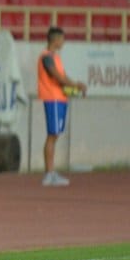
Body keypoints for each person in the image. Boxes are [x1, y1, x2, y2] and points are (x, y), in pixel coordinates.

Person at [37, 26, 86, 187]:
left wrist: (73, 87)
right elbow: (57, 77)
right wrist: (75, 85)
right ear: (56, 40)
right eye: (62, 39)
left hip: (59, 98)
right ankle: (49, 174)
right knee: (53, 135)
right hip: (53, 99)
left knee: (55, 135)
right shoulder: (46, 57)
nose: (63, 42)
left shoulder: (55, 58)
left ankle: (51, 172)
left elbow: (63, 77)